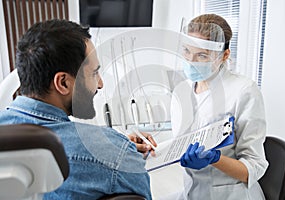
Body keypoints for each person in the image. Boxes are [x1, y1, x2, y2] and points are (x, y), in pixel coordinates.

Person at [0, 19, 155, 200]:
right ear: (63, 83)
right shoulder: (110, 151)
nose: (100, 84)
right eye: (94, 73)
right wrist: (118, 151)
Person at [170, 14, 268, 199]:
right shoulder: (181, 91)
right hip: (191, 191)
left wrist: (214, 159)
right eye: (186, 51)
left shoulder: (244, 91)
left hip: (230, 194)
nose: (191, 61)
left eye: (202, 55)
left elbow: (254, 167)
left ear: (225, 55)